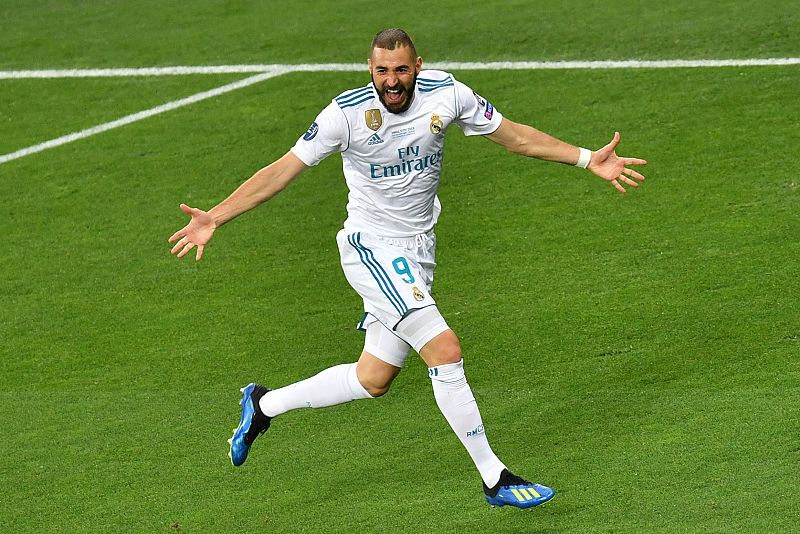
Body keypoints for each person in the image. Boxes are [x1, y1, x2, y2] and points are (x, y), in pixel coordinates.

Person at [168, 28, 646, 509]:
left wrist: (587, 160)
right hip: (371, 248)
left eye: (400, 70)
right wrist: (216, 216)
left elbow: (515, 137)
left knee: (373, 378)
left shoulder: (449, 94)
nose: (391, 82)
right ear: (369, 69)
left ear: (417, 66)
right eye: (381, 71)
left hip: (418, 250)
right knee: (444, 348)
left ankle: (263, 406)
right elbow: (281, 170)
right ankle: (495, 477)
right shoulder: (345, 115)